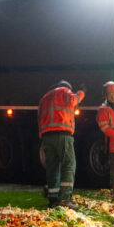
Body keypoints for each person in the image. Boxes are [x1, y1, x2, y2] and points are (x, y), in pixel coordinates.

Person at [38, 80, 85, 208]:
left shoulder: (45, 97)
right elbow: (74, 100)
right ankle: (65, 199)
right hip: (62, 134)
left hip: (47, 136)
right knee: (68, 165)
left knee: (52, 168)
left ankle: (53, 199)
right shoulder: (65, 91)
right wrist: (81, 92)